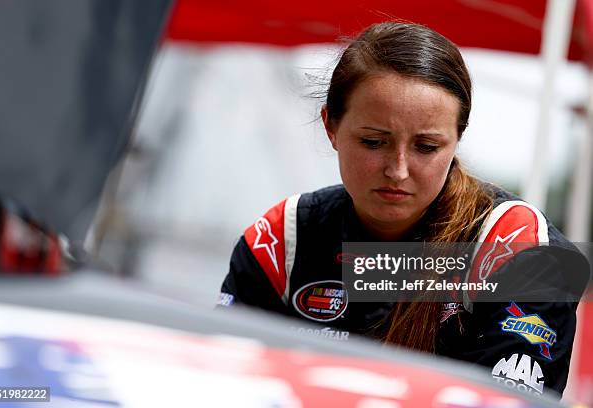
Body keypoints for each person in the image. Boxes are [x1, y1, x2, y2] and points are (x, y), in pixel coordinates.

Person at [217, 22, 589, 397]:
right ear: (331, 126)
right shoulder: (283, 239)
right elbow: (221, 385)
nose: (397, 170)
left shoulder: (517, 249)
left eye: (426, 147)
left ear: (457, 138)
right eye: (373, 142)